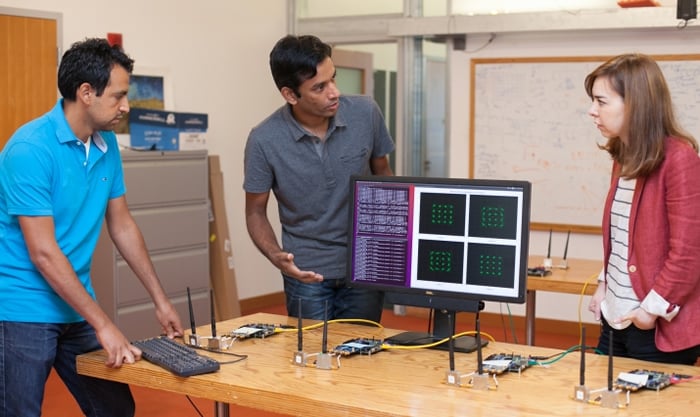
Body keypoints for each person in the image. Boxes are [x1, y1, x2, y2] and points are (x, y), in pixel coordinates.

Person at [0, 38, 184, 417]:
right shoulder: (30, 149)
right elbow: (43, 253)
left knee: (114, 407)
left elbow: (123, 225)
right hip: (22, 307)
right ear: (86, 93)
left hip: (75, 301)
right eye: (118, 96)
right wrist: (104, 323)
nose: (126, 106)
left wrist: (160, 300)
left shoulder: (106, 144)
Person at [244, 35, 395, 322]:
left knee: (362, 347)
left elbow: (384, 176)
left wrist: (391, 238)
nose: (334, 92)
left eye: (333, 78)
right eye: (319, 87)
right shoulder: (263, 140)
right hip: (306, 273)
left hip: (364, 264)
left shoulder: (366, 113)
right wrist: (276, 256)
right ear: (290, 95)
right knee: (314, 351)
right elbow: (255, 211)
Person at [585, 53, 700, 365]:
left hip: (653, 324)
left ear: (635, 104)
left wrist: (650, 310)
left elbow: (688, 254)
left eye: (601, 101)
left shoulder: (680, 159)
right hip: (615, 316)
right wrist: (604, 285)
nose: (592, 110)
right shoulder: (624, 156)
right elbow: (624, 239)